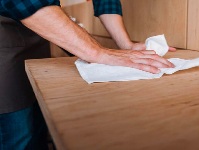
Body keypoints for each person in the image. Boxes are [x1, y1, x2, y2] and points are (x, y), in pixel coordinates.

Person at [0, 0, 175, 149]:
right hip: (5, 38)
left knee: (38, 124)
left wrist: (125, 44)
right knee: (19, 132)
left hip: (38, 33)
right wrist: (98, 52)